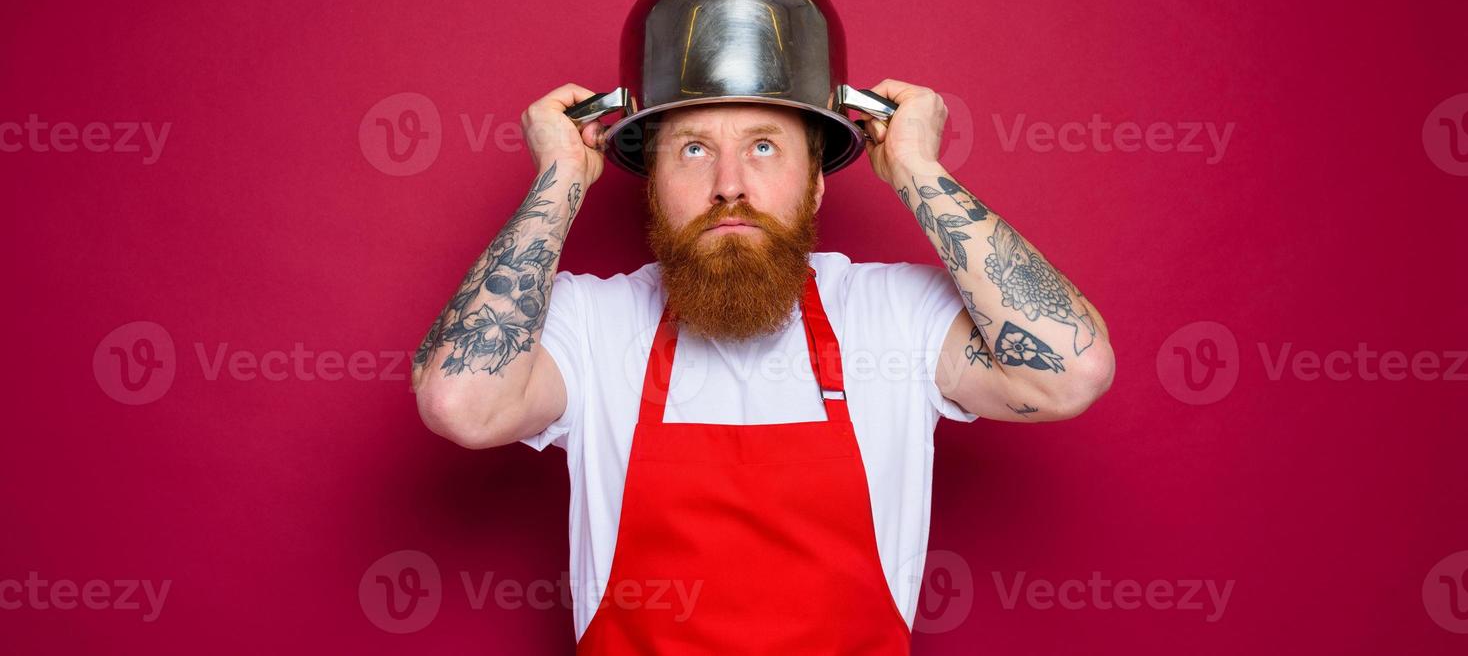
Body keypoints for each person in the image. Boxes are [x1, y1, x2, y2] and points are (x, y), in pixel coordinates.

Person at [412, 79, 1115, 653]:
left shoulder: (891, 313)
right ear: (650, 187)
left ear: (815, 185)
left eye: (763, 147)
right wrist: (561, 177)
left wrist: (916, 168)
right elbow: (459, 405)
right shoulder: (591, 324)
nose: (729, 185)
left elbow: (1067, 373)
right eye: (692, 149)